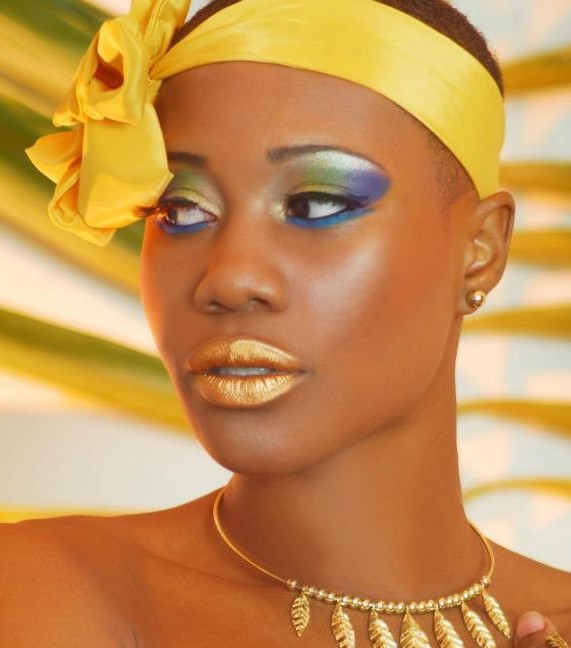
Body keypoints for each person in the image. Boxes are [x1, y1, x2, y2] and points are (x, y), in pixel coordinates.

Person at [1, 0, 570, 645]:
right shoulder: (49, 591)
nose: (228, 280)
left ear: (481, 250)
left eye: (316, 203)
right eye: (181, 211)